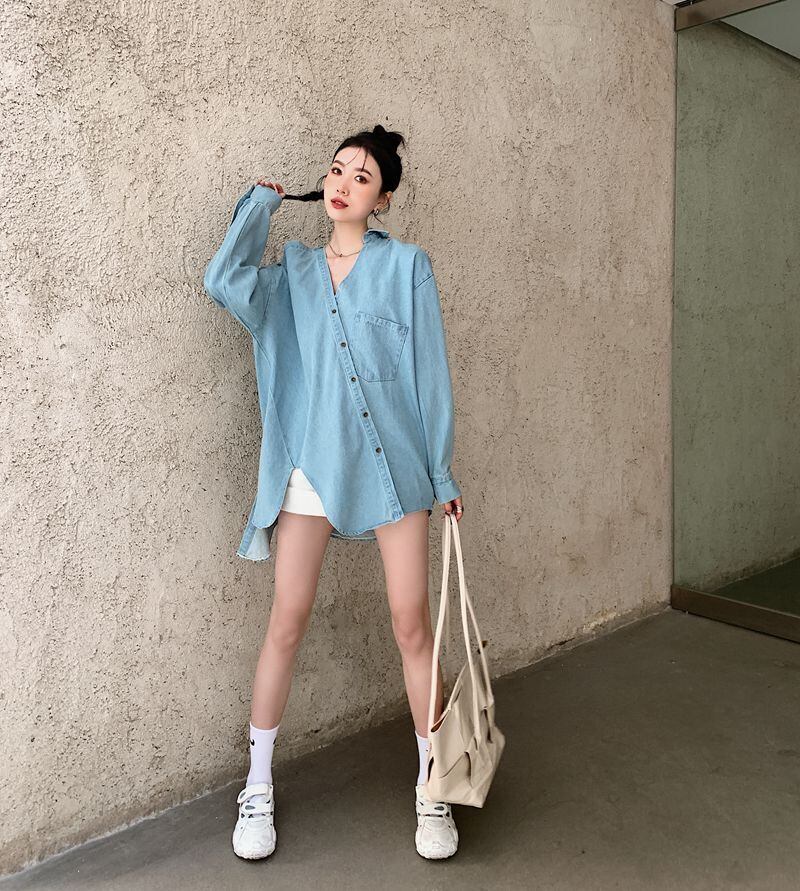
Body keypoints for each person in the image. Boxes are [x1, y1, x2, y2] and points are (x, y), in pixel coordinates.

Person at [203, 124, 464, 861]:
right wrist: (259, 206)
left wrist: (442, 473)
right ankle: (257, 786)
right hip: (310, 471)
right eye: (337, 170)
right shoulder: (292, 273)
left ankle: (435, 787)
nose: (343, 183)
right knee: (286, 620)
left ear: (384, 199)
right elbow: (223, 281)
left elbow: (430, 376)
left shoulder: (407, 267)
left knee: (412, 625)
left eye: (362, 176)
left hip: (394, 470)